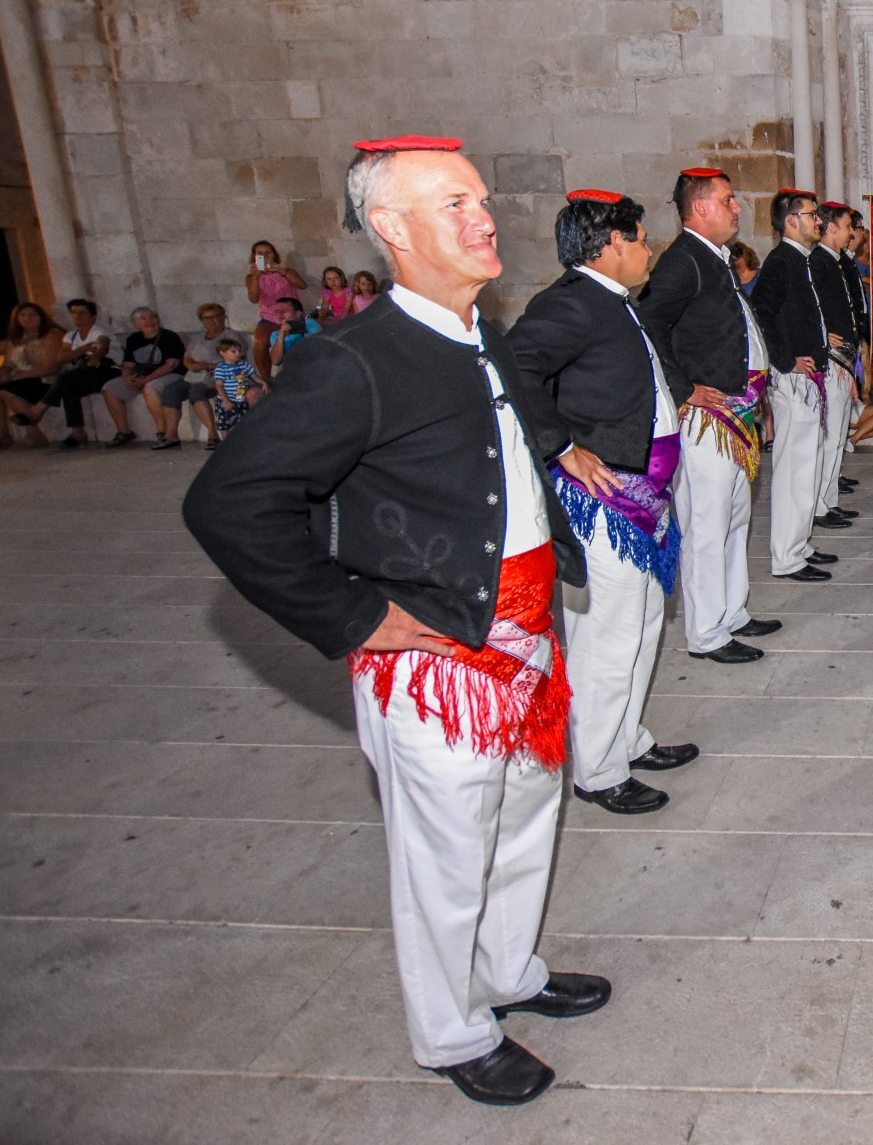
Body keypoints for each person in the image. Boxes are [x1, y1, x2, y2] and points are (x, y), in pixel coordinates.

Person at [184, 135, 611, 1107]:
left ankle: (508, 973)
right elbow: (229, 503)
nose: (481, 216)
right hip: (436, 655)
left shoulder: (478, 328)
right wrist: (353, 614)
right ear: (390, 228)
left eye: (478, 199)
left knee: (523, 822)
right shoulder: (354, 358)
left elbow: (503, 445)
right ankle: (452, 1032)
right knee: (446, 853)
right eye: (452, 203)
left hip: (525, 636)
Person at [508, 187, 700, 817]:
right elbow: (512, 370)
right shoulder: (569, 304)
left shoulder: (619, 302)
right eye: (642, 238)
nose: (650, 249)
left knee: (644, 626)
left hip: (643, 494)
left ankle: (626, 739)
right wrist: (560, 446)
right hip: (604, 501)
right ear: (613, 243)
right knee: (607, 639)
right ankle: (598, 768)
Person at [634, 166, 780, 664]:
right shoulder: (683, 261)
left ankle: (732, 611)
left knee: (736, 517)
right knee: (706, 525)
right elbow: (646, 323)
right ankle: (707, 633)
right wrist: (682, 388)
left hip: (737, 413)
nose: (738, 206)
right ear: (700, 208)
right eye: (728, 199)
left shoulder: (713, 258)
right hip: (707, 419)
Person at [748, 189, 842, 582]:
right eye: (811, 215)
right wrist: (785, 360)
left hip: (811, 378)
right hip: (793, 381)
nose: (818, 221)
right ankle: (787, 556)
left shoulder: (801, 260)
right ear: (791, 220)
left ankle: (800, 544)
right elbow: (761, 314)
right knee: (794, 470)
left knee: (809, 465)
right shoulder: (781, 261)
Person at [811, 201, 867, 525]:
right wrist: (822, 333)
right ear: (831, 227)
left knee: (837, 434)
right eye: (848, 226)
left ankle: (829, 500)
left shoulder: (836, 262)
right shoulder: (817, 261)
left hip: (845, 357)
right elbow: (811, 306)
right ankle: (819, 505)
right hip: (831, 360)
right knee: (829, 436)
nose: (851, 233)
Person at [9, 297, 121, 449]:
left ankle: (37, 411)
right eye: (74, 313)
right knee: (68, 385)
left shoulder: (99, 332)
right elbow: (61, 357)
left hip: (106, 372)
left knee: (66, 377)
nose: (77, 316)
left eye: (82, 313)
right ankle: (77, 432)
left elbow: (102, 345)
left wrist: (96, 355)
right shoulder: (71, 336)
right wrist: (82, 349)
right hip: (84, 375)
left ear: (93, 316)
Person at [100, 305, 192, 449]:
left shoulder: (169, 336)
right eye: (144, 318)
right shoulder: (133, 339)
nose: (150, 321)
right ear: (136, 324)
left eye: (152, 317)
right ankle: (124, 431)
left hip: (169, 375)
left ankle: (162, 431)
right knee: (109, 389)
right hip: (142, 375)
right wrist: (127, 378)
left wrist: (144, 381)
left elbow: (171, 365)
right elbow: (128, 364)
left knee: (150, 388)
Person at [0, 303, 65, 448]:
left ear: (41, 316)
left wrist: (20, 376)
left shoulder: (52, 334)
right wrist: (4, 374)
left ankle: (34, 434)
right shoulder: (17, 338)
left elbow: (51, 367)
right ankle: (0, 435)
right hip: (21, 378)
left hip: (45, 379)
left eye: (32, 315)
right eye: (23, 316)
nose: (27, 319)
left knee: (8, 391)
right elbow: (8, 364)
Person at [177, 303, 252, 450]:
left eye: (216, 316)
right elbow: (187, 357)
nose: (212, 321)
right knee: (171, 390)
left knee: (196, 391)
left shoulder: (230, 336)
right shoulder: (198, 337)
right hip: (194, 374)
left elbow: (235, 360)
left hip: (219, 376)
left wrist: (207, 366)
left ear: (223, 318)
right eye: (207, 318)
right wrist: (191, 365)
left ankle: (212, 434)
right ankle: (169, 435)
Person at [243, 239, 306, 380]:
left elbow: (302, 285)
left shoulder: (286, 271)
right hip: (270, 317)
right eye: (260, 254)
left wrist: (280, 271)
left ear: (274, 255)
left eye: (267, 253)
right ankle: (266, 380)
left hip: (292, 315)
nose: (264, 256)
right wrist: (255, 277)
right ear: (254, 257)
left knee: (300, 339)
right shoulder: (251, 278)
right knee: (259, 342)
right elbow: (253, 298)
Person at [208, 338, 264, 434]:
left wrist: (264, 383)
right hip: (227, 402)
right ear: (222, 353)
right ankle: (226, 446)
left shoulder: (243, 365)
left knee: (242, 425)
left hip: (241, 401)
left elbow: (254, 376)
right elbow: (219, 386)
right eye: (233, 351)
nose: (238, 354)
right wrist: (226, 401)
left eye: (239, 351)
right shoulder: (221, 368)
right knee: (224, 425)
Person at [267, 296, 322, 367]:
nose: (280, 315)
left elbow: (319, 349)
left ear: (298, 314)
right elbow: (276, 361)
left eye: (284, 311)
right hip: (293, 370)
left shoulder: (310, 324)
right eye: (277, 312)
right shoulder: (276, 335)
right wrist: (281, 336)